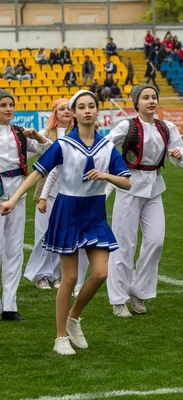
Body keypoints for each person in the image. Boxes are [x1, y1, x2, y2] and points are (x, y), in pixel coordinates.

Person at [1, 90, 132, 355]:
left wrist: (106, 175)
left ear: (97, 112)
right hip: (68, 211)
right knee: (70, 278)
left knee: (100, 273)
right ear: (73, 113)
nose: (87, 110)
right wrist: (13, 199)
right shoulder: (63, 145)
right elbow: (37, 174)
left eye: (91, 106)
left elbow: (127, 182)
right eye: (81, 107)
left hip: (94, 213)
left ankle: (74, 317)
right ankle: (60, 336)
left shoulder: (107, 145)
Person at [105, 84, 183, 317]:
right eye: (145, 98)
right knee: (124, 244)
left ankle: (139, 291)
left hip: (154, 186)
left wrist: (180, 154)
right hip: (129, 186)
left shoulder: (167, 127)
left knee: (156, 241)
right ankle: (118, 298)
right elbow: (105, 145)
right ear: (137, 103)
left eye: (154, 97)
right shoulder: (127, 125)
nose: (151, 101)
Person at [24, 99, 89, 291]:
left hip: (70, 192)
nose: (66, 112)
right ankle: (40, 275)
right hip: (47, 191)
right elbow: (25, 155)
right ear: (55, 113)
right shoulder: (43, 135)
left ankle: (55, 275)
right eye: (62, 109)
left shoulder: (78, 134)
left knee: (62, 236)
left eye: (69, 109)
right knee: (43, 235)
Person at [0, 89, 52, 321]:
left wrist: (38, 136)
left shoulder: (20, 134)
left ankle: (9, 306)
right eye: (3, 105)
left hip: (17, 193)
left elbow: (49, 150)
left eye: (11, 104)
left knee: (14, 250)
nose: (8, 109)